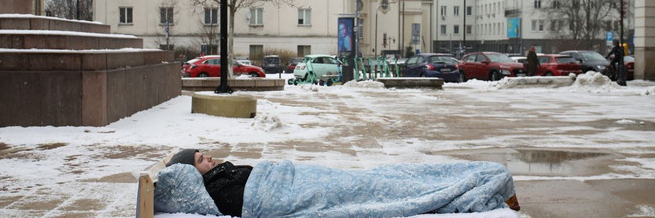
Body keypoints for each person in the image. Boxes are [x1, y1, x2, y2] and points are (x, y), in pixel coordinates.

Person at [165, 148, 521, 217]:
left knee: (384, 177)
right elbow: (266, 201)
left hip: (301, 178)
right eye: (200, 160)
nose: (209, 158)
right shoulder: (212, 192)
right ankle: (476, 185)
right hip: (296, 193)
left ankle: (483, 178)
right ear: (188, 174)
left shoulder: (219, 175)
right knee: (388, 191)